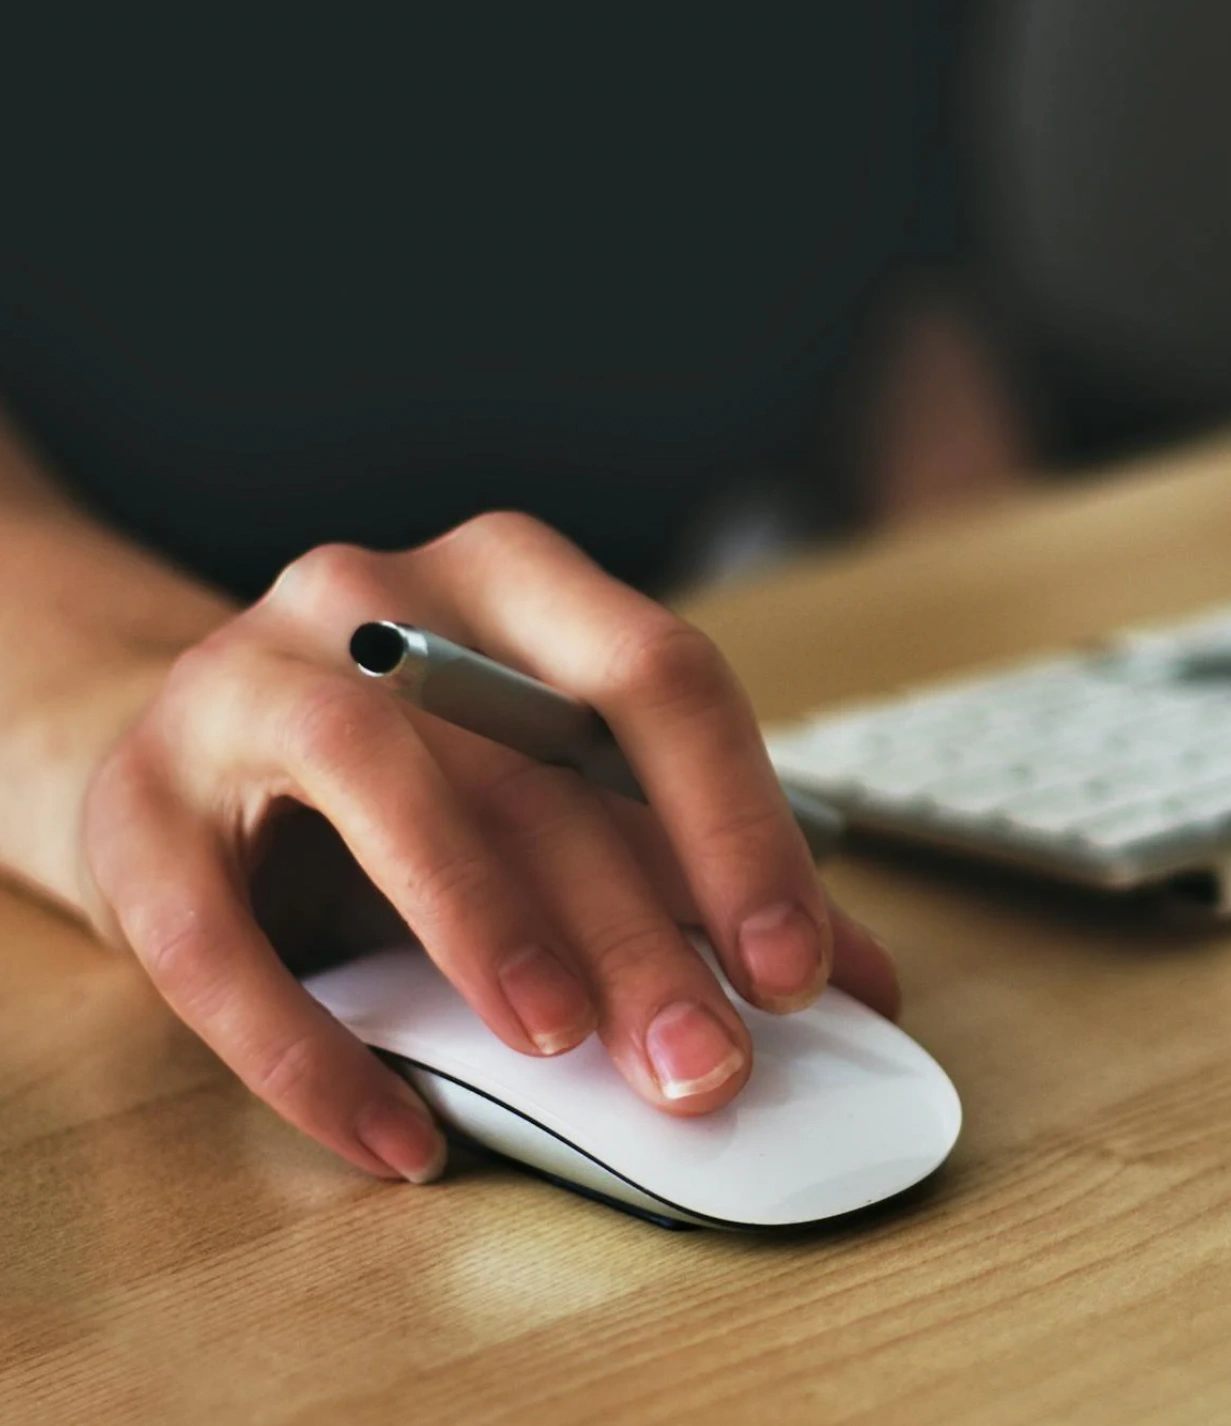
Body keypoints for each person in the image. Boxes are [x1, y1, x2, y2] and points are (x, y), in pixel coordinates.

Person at [0, 6, 1023, 1187]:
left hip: (668, 693)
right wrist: (120, 708)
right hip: (162, 621)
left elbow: (911, 281)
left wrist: (987, 681)